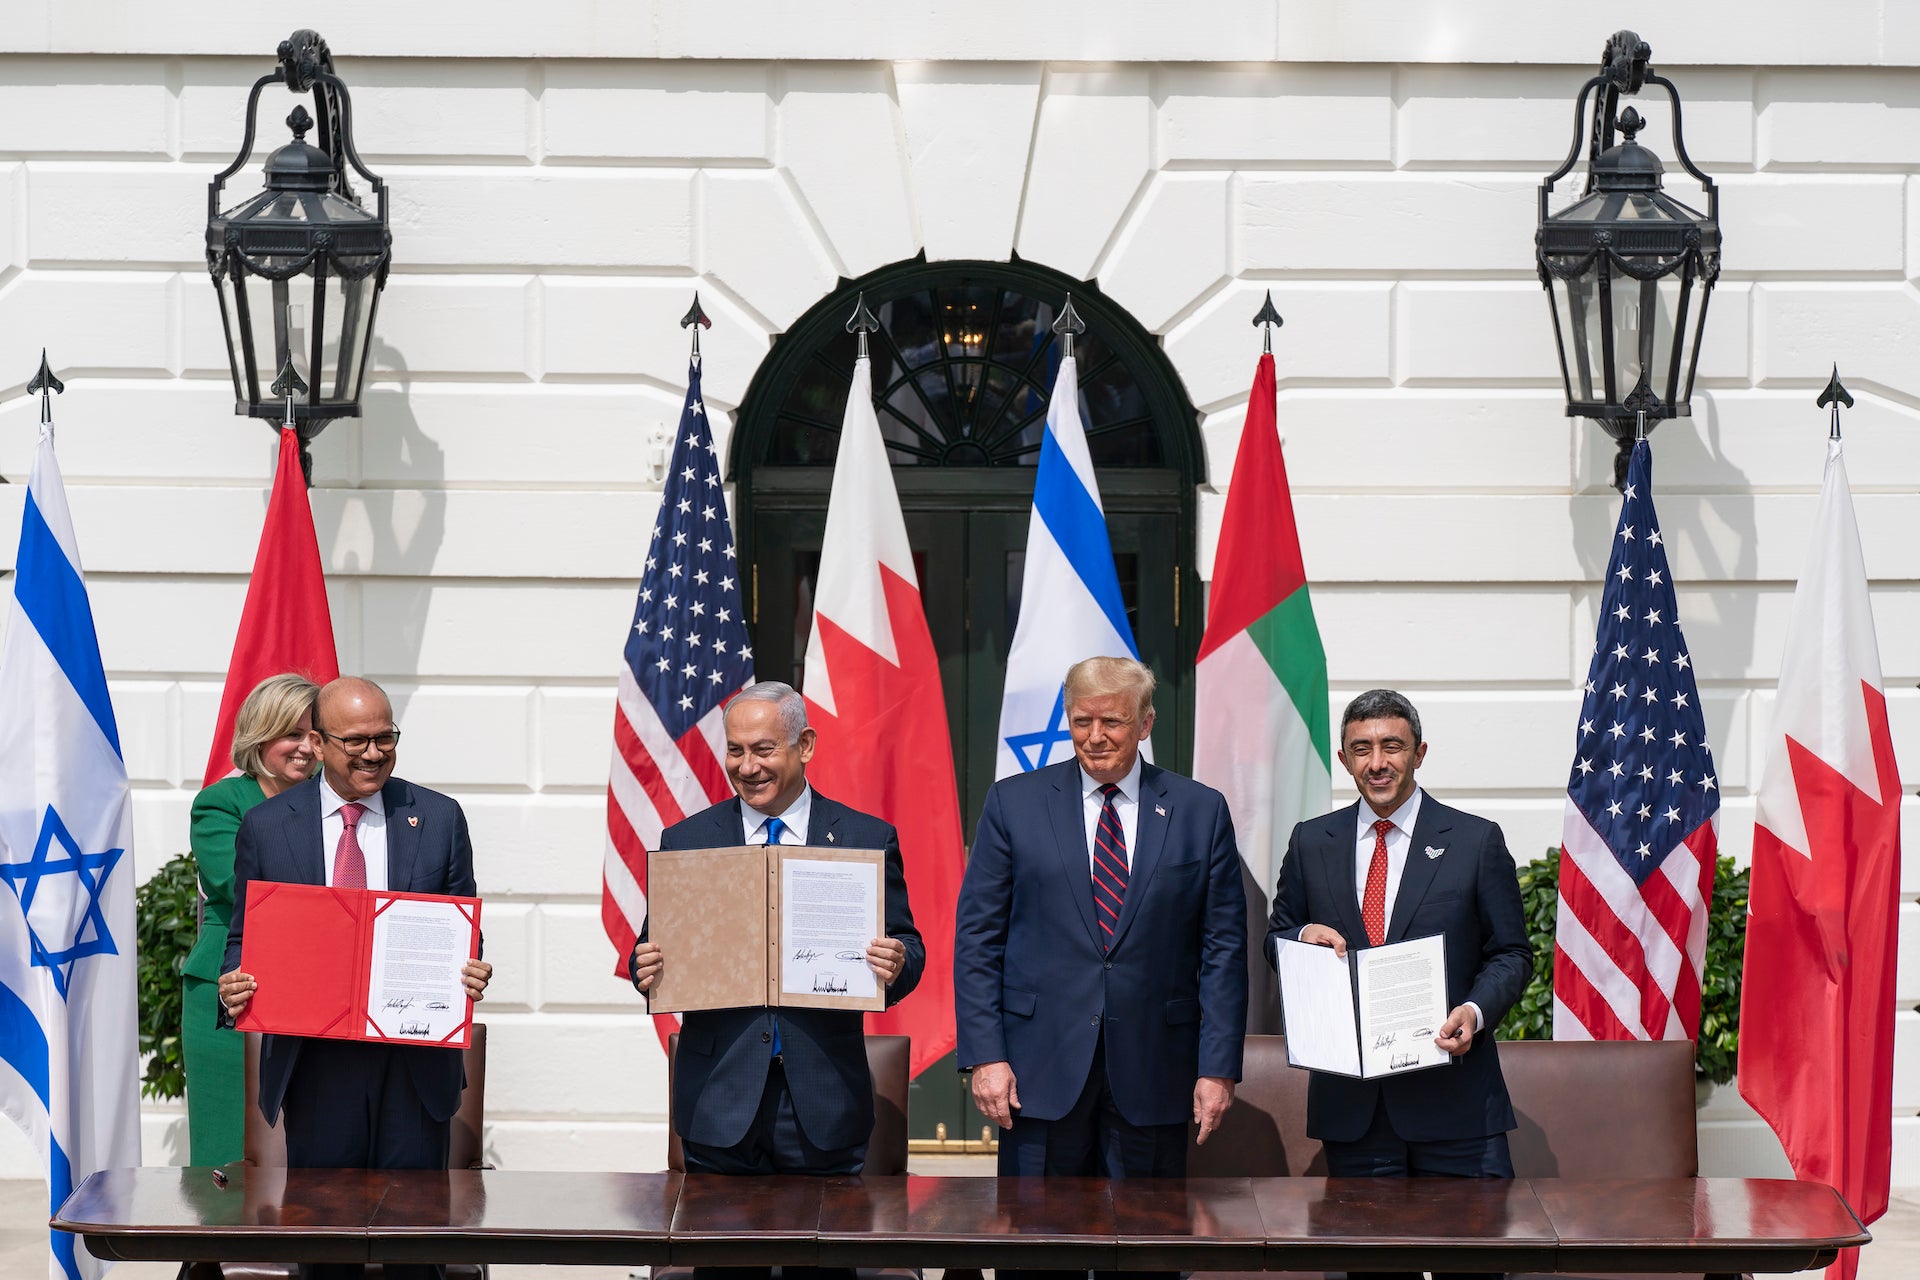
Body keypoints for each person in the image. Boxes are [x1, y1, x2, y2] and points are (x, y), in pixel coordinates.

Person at [954, 656, 1247, 1228]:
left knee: (1146, 1247)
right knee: (1037, 1252)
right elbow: (977, 940)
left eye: (1111, 721)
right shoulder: (1013, 802)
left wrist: (1218, 1068)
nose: (1094, 737)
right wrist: (986, 1055)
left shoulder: (1199, 810)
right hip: (1036, 1076)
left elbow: (1224, 952)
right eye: (1081, 721)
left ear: (1145, 724)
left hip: (1156, 1073)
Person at [219, 677, 493, 1280]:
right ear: (316, 742)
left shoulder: (439, 818)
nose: (374, 754)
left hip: (413, 1068)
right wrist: (232, 983)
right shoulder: (268, 826)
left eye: (386, 738)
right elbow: (244, 938)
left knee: (413, 1250)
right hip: (317, 1069)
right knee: (325, 1249)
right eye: (356, 741)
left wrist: (471, 966)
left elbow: (460, 928)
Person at [1266, 688, 1531, 1280]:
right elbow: (1277, 937)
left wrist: (1474, 1010)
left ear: (1419, 753)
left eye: (1392, 746)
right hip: (1355, 1112)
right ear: (1343, 758)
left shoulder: (1474, 840)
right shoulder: (1312, 842)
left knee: (1476, 1271)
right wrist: (1302, 935)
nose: (1377, 762)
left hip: (1458, 1108)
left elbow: (1511, 953)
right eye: (1361, 749)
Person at [629, 680, 923, 1186]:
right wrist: (646, 966)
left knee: (824, 1262)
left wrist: (896, 962)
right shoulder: (688, 841)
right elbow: (652, 947)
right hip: (719, 1102)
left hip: (824, 1101)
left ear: (804, 745)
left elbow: (908, 946)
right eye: (736, 751)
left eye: (764, 750)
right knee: (725, 1264)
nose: (748, 767)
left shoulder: (864, 838)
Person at [181, 673, 323, 1167]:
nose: (306, 748)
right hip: (232, 992)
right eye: (292, 733)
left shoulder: (340, 809)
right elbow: (238, 889)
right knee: (228, 1153)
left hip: (320, 993)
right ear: (260, 736)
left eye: (316, 734)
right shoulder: (222, 803)